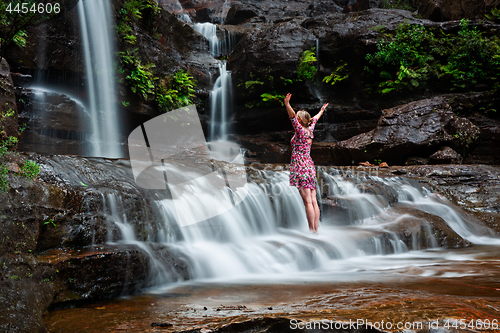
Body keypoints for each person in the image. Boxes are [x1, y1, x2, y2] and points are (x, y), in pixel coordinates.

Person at [284, 93, 328, 233]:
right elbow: (315, 118)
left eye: (298, 119)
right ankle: (316, 230)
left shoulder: (300, 131)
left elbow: (291, 117)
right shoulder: (310, 130)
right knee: (313, 200)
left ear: (300, 121)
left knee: (307, 202)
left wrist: (287, 104)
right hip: (309, 166)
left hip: (300, 167)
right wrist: (321, 110)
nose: (296, 120)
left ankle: (311, 231)